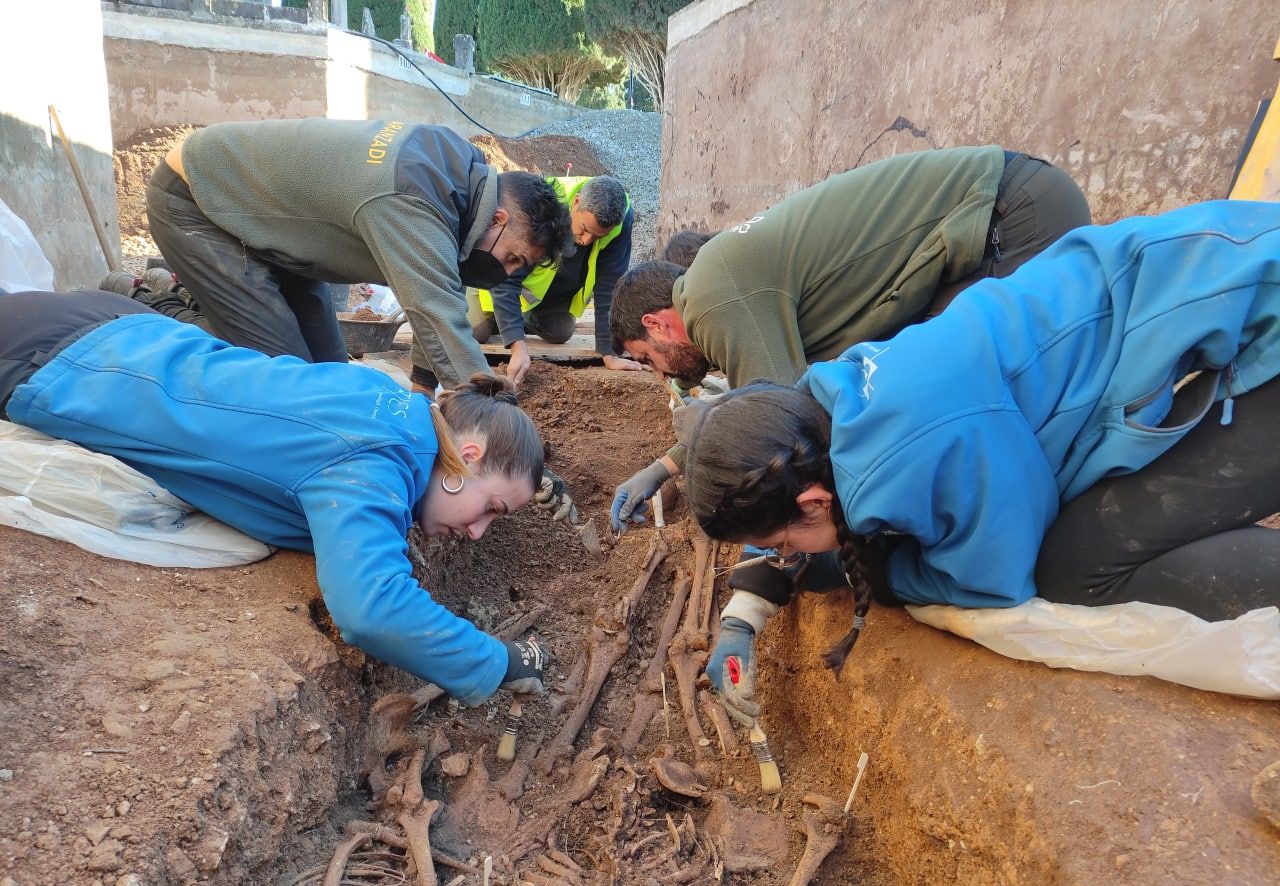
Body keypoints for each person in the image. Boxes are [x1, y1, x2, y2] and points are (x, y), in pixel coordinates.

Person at [679, 200, 1280, 725]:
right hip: (1211, 279)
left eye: (781, 544)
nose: (783, 556)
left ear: (812, 502)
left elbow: (995, 578)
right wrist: (744, 613)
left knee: (1076, 568)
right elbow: (781, 483)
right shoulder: (833, 403)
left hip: (1256, 333)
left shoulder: (913, 448)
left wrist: (891, 577)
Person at [0, 290, 554, 705]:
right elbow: (370, 608)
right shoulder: (374, 466)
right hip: (59, 361)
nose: (478, 530)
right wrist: (497, 662)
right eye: (490, 509)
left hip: (122, 327)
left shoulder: (391, 401)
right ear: (470, 456)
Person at [609, 145, 1091, 531]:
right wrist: (664, 468)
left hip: (1008, 216)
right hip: (1002, 210)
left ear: (656, 324)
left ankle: (1023, 531)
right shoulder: (722, 286)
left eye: (648, 359)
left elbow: (778, 431)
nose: (661, 373)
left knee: (961, 394)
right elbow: (783, 398)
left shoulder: (711, 301)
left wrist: (759, 571)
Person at [140, 118, 570, 390]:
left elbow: (439, 288)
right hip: (201, 201)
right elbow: (437, 314)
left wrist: (422, 391)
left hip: (278, 231)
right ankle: (153, 306)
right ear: (497, 219)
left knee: (331, 380)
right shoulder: (412, 195)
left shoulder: (464, 176)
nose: (506, 271)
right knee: (288, 384)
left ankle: (206, 307)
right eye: (514, 258)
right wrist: (502, 428)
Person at [468, 175, 647, 384]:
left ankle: (510, 320)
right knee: (476, 332)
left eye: (598, 236)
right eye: (585, 229)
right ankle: (493, 317)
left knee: (560, 330)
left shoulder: (619, 221)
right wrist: (517, 346)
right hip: (492, 282)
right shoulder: (544, 207)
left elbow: (610, 285)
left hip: (546, 297)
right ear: (576, 202)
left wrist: (609, 353)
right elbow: (506, 280)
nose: (586, 240)